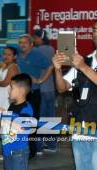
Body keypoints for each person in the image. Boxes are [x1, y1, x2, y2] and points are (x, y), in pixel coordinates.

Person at [53, 21, 97, 170]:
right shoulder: (85, 60)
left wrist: (83, 67)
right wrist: (58, 69)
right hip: (80, 126)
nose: (96, 33)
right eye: (95, 30)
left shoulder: (82, 63)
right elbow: (62, 87)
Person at [17, 34, 53, 157]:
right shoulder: (18, 54)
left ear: (31, 44)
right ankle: (19, 148)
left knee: (31, 122)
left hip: (32, 93)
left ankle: (32, 151)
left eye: (25, 42)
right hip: (18, 93)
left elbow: (50, 66)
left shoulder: (36, 55)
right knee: (18, 121)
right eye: (20, 42)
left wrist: (41, 80)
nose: (22, 45)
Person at [2, 73, 33, 170]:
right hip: (7, 149)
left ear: (21, 91)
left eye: (11, 88)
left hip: (19, 151)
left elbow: (22, 128)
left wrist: (4, 119)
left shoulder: (27, 108)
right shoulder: (12, 106)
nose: (9, 90)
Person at [33, 29, 57, 153]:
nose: (33, 40)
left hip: (40, 88)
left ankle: (38, 147)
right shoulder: (51, 49)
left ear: (39, 38)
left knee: (39, 117)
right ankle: (52, 145)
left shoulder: (36, 51)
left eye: (35, 38)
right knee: (50, 118)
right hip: (51, 88)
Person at [0, 46, 19, 111]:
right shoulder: (3, 65)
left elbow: (5, 83)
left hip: (6, 96)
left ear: (14, 56)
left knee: (3, 118)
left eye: (9, 55)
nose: (6, 56)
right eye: (4, 54)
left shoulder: (13, 67)